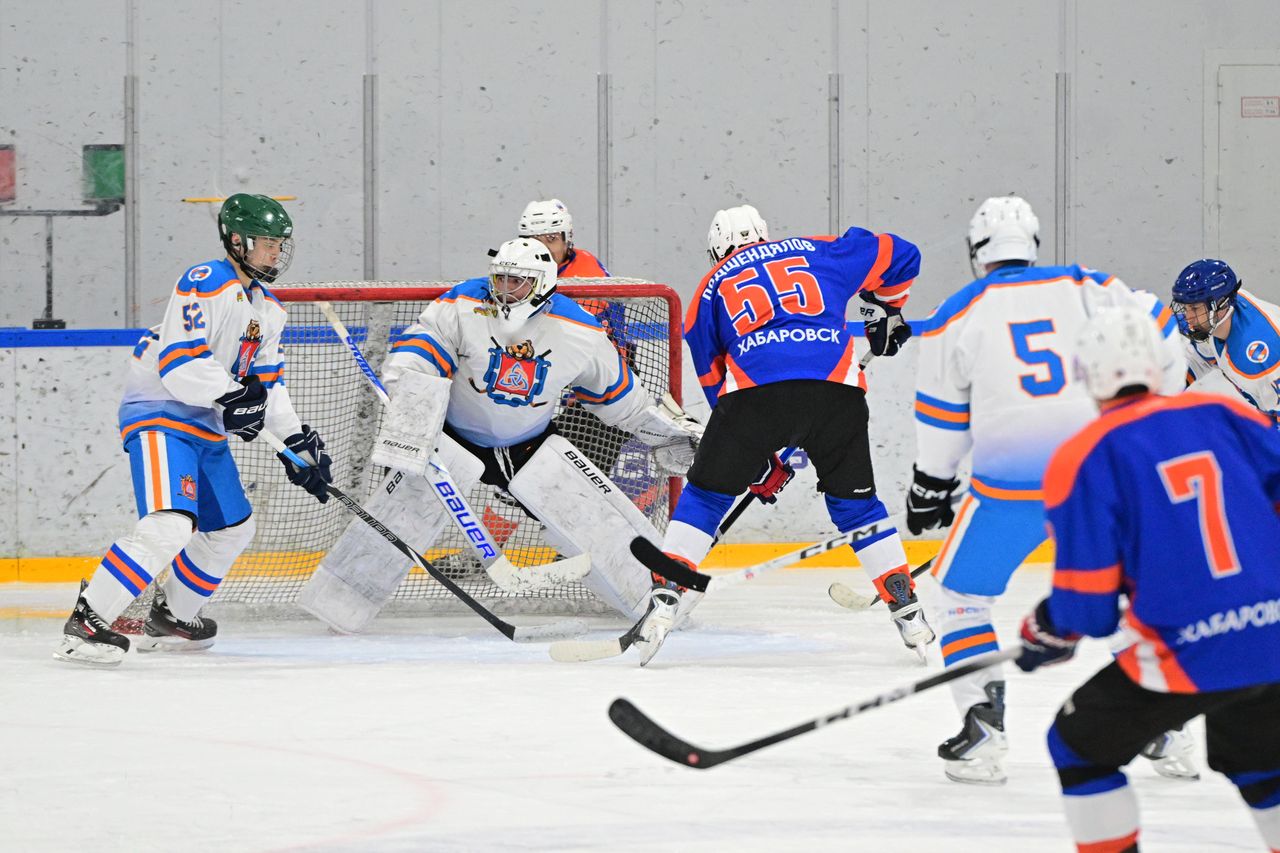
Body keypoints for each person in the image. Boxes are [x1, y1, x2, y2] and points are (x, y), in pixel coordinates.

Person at [297, 237, 704, 645]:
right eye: (500, 279)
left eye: (516, 281)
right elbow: (422, 346)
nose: (504, 290)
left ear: (542, 285)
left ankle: (659, 601)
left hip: (527, 445)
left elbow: (623, 402)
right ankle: (340, 601)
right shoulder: (465, 302)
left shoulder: (580, 331)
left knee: (598, 519)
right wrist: (410, 391)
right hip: (451, 437)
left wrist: (664, 435)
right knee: (401, 513)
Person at [908, 195, 1185, 784]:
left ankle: (983, 730)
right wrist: (1149, 421)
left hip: (1009, 485)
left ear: (976, 251)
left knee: (959, 595)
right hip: (1098, 475)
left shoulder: (957, 312)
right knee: (1123, 594)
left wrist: (930, 485)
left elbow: (941, 415)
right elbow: (1162, 332)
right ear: (1032, 244)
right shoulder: (1091, 285)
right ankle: (1166, 728)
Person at [1017, 305, 1280, 853]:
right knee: (1261, 761)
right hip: (1275, 632)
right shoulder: (1226, 413)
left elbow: (1088, 608)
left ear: (1086, 373)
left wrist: (1047, 629)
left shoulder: (1084, 455)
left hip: (1190, 644)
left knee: (1078, 746)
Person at [54, 194, 333, 667]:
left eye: (279, 244)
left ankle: (172, 618)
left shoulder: (269, 310)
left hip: (205, 422)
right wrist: (232, 394)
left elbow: (268, 385)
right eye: (266, 243)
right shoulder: (205, 281)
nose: (275, 253)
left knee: (232, 529)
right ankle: (87, 622)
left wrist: (296, 445)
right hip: (161, 412)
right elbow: (179, 362)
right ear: (237, 241)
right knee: (170, 525)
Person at [643, 203, 928, 666]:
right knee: (856, 506)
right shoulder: (818, 251)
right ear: (765, 234)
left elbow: (716, 385)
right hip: (837, 395)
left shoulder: (709, 288)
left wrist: (756, 460)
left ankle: (665, 594)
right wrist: (886, 309)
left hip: (753, 400)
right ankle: (906, 605)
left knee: (708, 495)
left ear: (715, 251)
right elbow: (904, 254)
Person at [1172, 258, 1280, 424]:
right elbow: (1199, 359)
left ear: (1221, 305)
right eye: (1186, 308)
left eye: (1194, 308)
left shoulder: (1260, 359)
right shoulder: (1218, 318)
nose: (1188, 317)